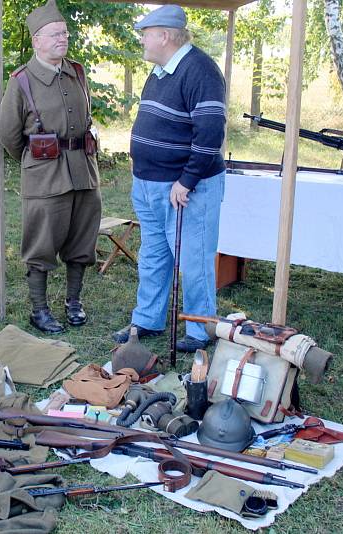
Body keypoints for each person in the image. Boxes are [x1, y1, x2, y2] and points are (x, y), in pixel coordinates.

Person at [111, 5, 226, 353]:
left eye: (146, 34)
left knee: (193, 260)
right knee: (153, 255)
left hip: (187, 187)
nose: (142, 40)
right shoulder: (161, 71)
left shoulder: (201, 70)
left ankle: (198, 329)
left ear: (164, 35)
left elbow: (210, 134)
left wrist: (187, 181)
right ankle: (148, 318)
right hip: (148, 182)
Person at [0, 0, 101, 335]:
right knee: (41, 244)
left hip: (83, 171)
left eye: (65, 32)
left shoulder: (77, 73)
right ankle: (39, 310)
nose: (63, 38)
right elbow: (11, 137)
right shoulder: (22, 82)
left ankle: (74, 302)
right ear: (37, 41)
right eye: (54, 34)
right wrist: (37, 161)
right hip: (45, 177)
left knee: (81, 240)